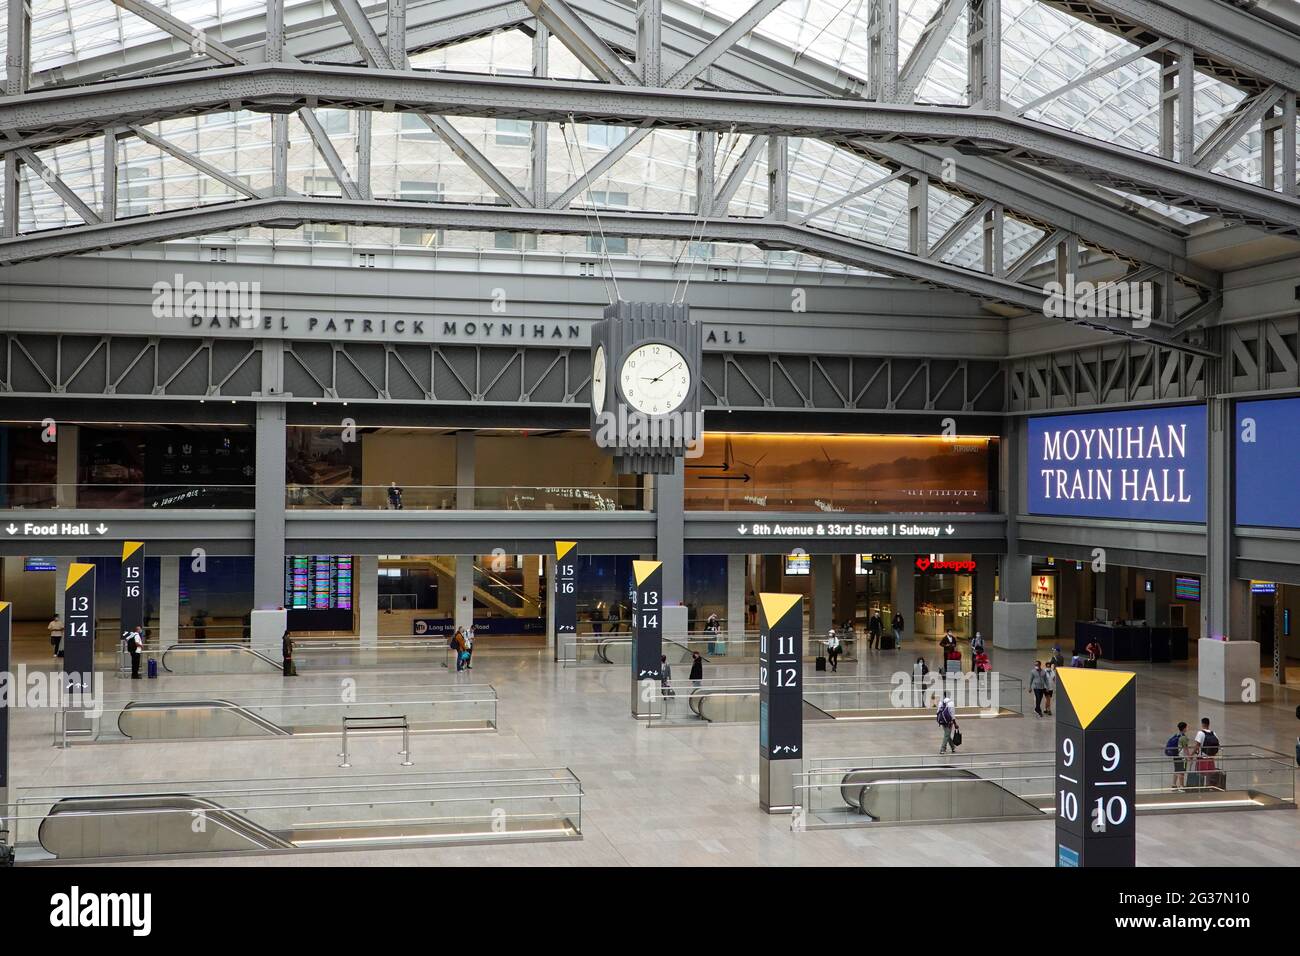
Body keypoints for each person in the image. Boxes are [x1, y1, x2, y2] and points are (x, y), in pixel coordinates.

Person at [1166, 721, 1192, 790]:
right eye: (1186, 727)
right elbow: (1186, 749)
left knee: (1176, 770)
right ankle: (1181, 786)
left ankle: (1174, 784)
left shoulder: (1176, 735)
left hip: (1176, 755)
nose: (1187, 729)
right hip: (1182, 757)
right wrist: (1189, 757)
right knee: (1182, 771)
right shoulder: (1184, 737)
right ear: (1184, 728)